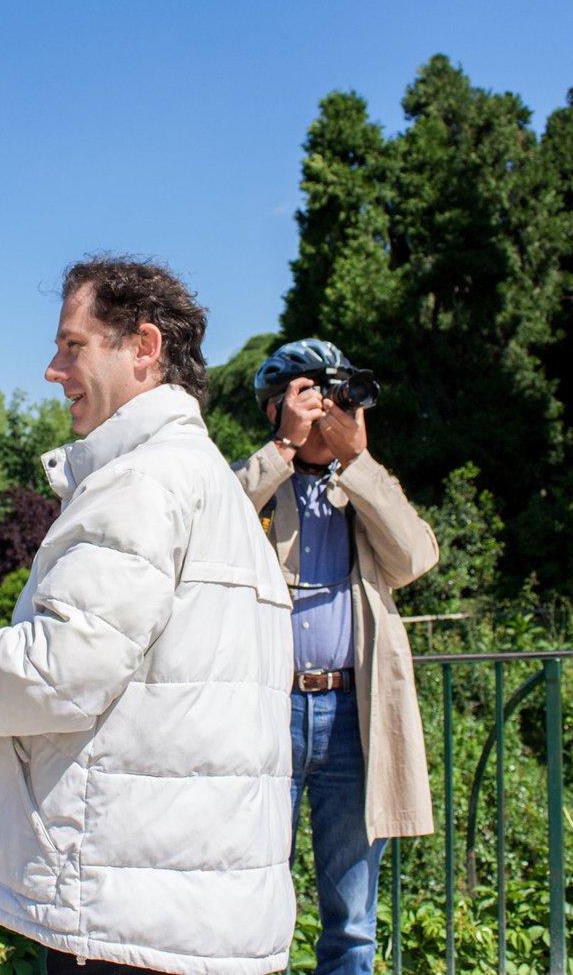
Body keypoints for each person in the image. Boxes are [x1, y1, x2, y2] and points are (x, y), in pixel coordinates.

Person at [0, 257, 296, 975]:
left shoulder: (141, 479)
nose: (53, 368)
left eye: (73, 345)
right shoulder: (210, 484)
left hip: (128, 916)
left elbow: (60, 672)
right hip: (195, 910)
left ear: (143, 348)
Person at [234, 338, 438, 975]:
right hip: (268, 714)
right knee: (249, 902)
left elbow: (414, 558)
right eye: (313, 396)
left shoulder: (361, 486)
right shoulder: (254, 487)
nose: (331, 409)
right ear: (277, 408)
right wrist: (283, 450)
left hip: (354, 714)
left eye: (337, 394)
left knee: (351, 920)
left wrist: (360, 460)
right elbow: (206, 530)